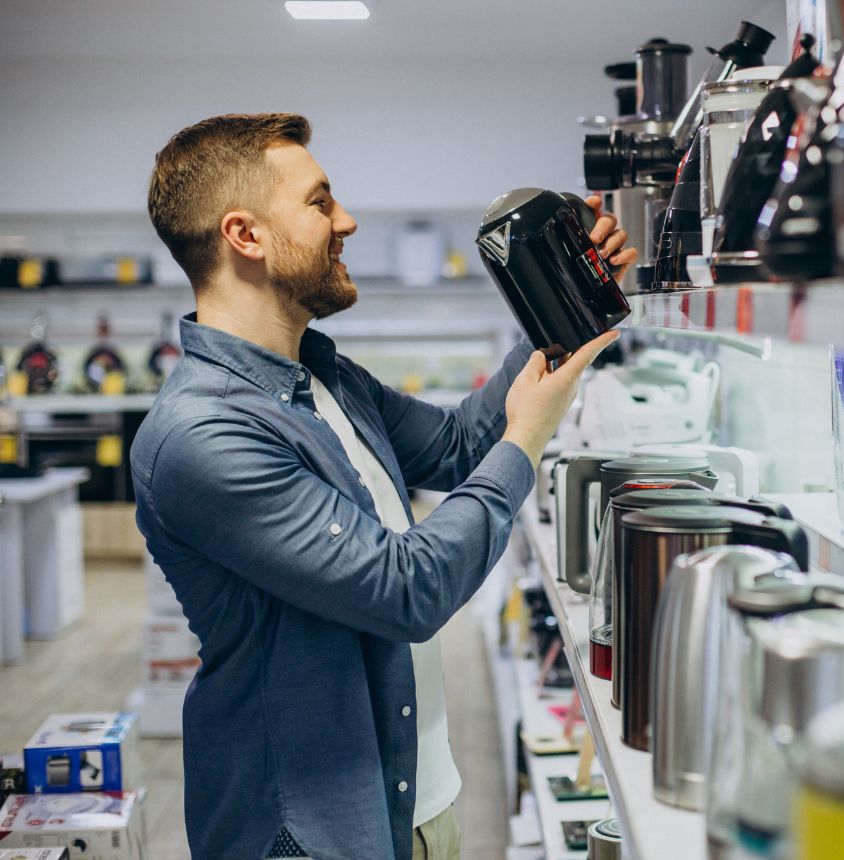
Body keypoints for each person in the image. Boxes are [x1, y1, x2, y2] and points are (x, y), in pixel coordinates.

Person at [132, 113, 634, 860]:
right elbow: (405, 592)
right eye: (319, 201)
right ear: (245, 235)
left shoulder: (325, 376)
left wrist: (565, 299)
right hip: (313, 834)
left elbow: (458, 446)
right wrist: (527, 438)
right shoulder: (202, 435)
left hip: (415, 802)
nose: (347, 220)